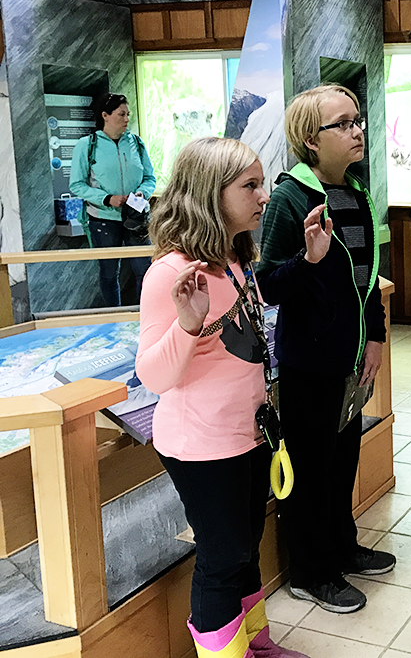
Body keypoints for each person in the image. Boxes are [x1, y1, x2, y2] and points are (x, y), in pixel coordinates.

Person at [135, 137, 308, 658]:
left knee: (246, 548)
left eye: (262, 183)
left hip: (247, 433)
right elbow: (154, 377)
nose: (264, 197)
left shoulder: (235, 256)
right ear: (212, 194)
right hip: (201, 444)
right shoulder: (171, 272)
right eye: (250, 186)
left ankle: (256, 643)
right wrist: (187, 325)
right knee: (222, 555)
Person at [257, 84, 394, 613]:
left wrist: (376, 337)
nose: (357, 130)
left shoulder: (356, 192)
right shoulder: (291, 198)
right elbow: (268, 285)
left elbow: (368, 278)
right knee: (311, 471)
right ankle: (310, 572)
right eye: (343, 123)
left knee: (342, 461)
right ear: (311, 140)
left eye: (357, 120)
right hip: (308, 362)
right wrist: (308, 262)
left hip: (351, 358)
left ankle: (341, 546)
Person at [69, 92, 157, 306]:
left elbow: (150, 177)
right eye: (121, 114)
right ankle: (114, 319)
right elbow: (76, 185)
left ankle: (143, 316)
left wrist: (142, 193)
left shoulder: (136, 142)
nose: (127, 119)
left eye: (128, 114)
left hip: (136, 218)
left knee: (145, 269)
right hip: (103, 219)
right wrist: (107, 199)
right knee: (109, 273)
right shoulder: (86, 145)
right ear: (105, 116)